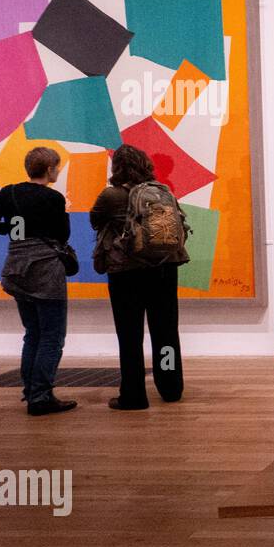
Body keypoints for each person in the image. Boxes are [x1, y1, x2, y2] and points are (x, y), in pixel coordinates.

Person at [0, 146, 77, 416]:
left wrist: (18, 229)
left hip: (17, 270)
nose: (58, 170)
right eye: (57, 166)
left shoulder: (7, 192)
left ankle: (31, 392)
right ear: (49, 169)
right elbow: (62, 236)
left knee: (32, 334)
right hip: (46, 272)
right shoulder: (53, 198)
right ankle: (41, 396)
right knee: (52, 337)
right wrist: (65, 210)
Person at [89, 144, 186, 410]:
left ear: (117, 167)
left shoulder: (111, 196)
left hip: (126, 273)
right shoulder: (162, 193)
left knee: (130, 335)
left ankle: (133, 394)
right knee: (166, 332)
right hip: (164, 269)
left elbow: (95, 221)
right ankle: (171, 388)